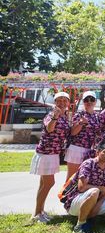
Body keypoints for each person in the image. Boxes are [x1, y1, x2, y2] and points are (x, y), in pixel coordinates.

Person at [62, 140, 105, 233]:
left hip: (94, 200)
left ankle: (88, 218)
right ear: (98, 152)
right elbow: (81, 187)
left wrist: (97, 207)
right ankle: (79, 225)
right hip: (75, 201)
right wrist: (100, 188)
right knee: (94, 191)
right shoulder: (88, 164)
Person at [30, 91, 72, 223]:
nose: (62, 103)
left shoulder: (65, 117)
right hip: (46, 153)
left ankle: (39, 211)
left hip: (54, 153)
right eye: (59, 100)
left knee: (43, 184)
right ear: (55, 102)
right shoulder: (51, 114)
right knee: (49, 183)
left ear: (68, 103)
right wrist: (55, 117)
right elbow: (49, 129)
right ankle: (37, 213)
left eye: (65, 100)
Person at [66, 91, 101, 180]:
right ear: (83, 102)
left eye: (92, 99)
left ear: (95, 101)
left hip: (89, 150)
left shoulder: (97, 116)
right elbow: (72, 132)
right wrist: (81, 123)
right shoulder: (79, 115)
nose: (89, 102)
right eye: (86, 100)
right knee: (72, 177)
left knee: (83, 178)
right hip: (76, 149)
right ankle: (64, 194)